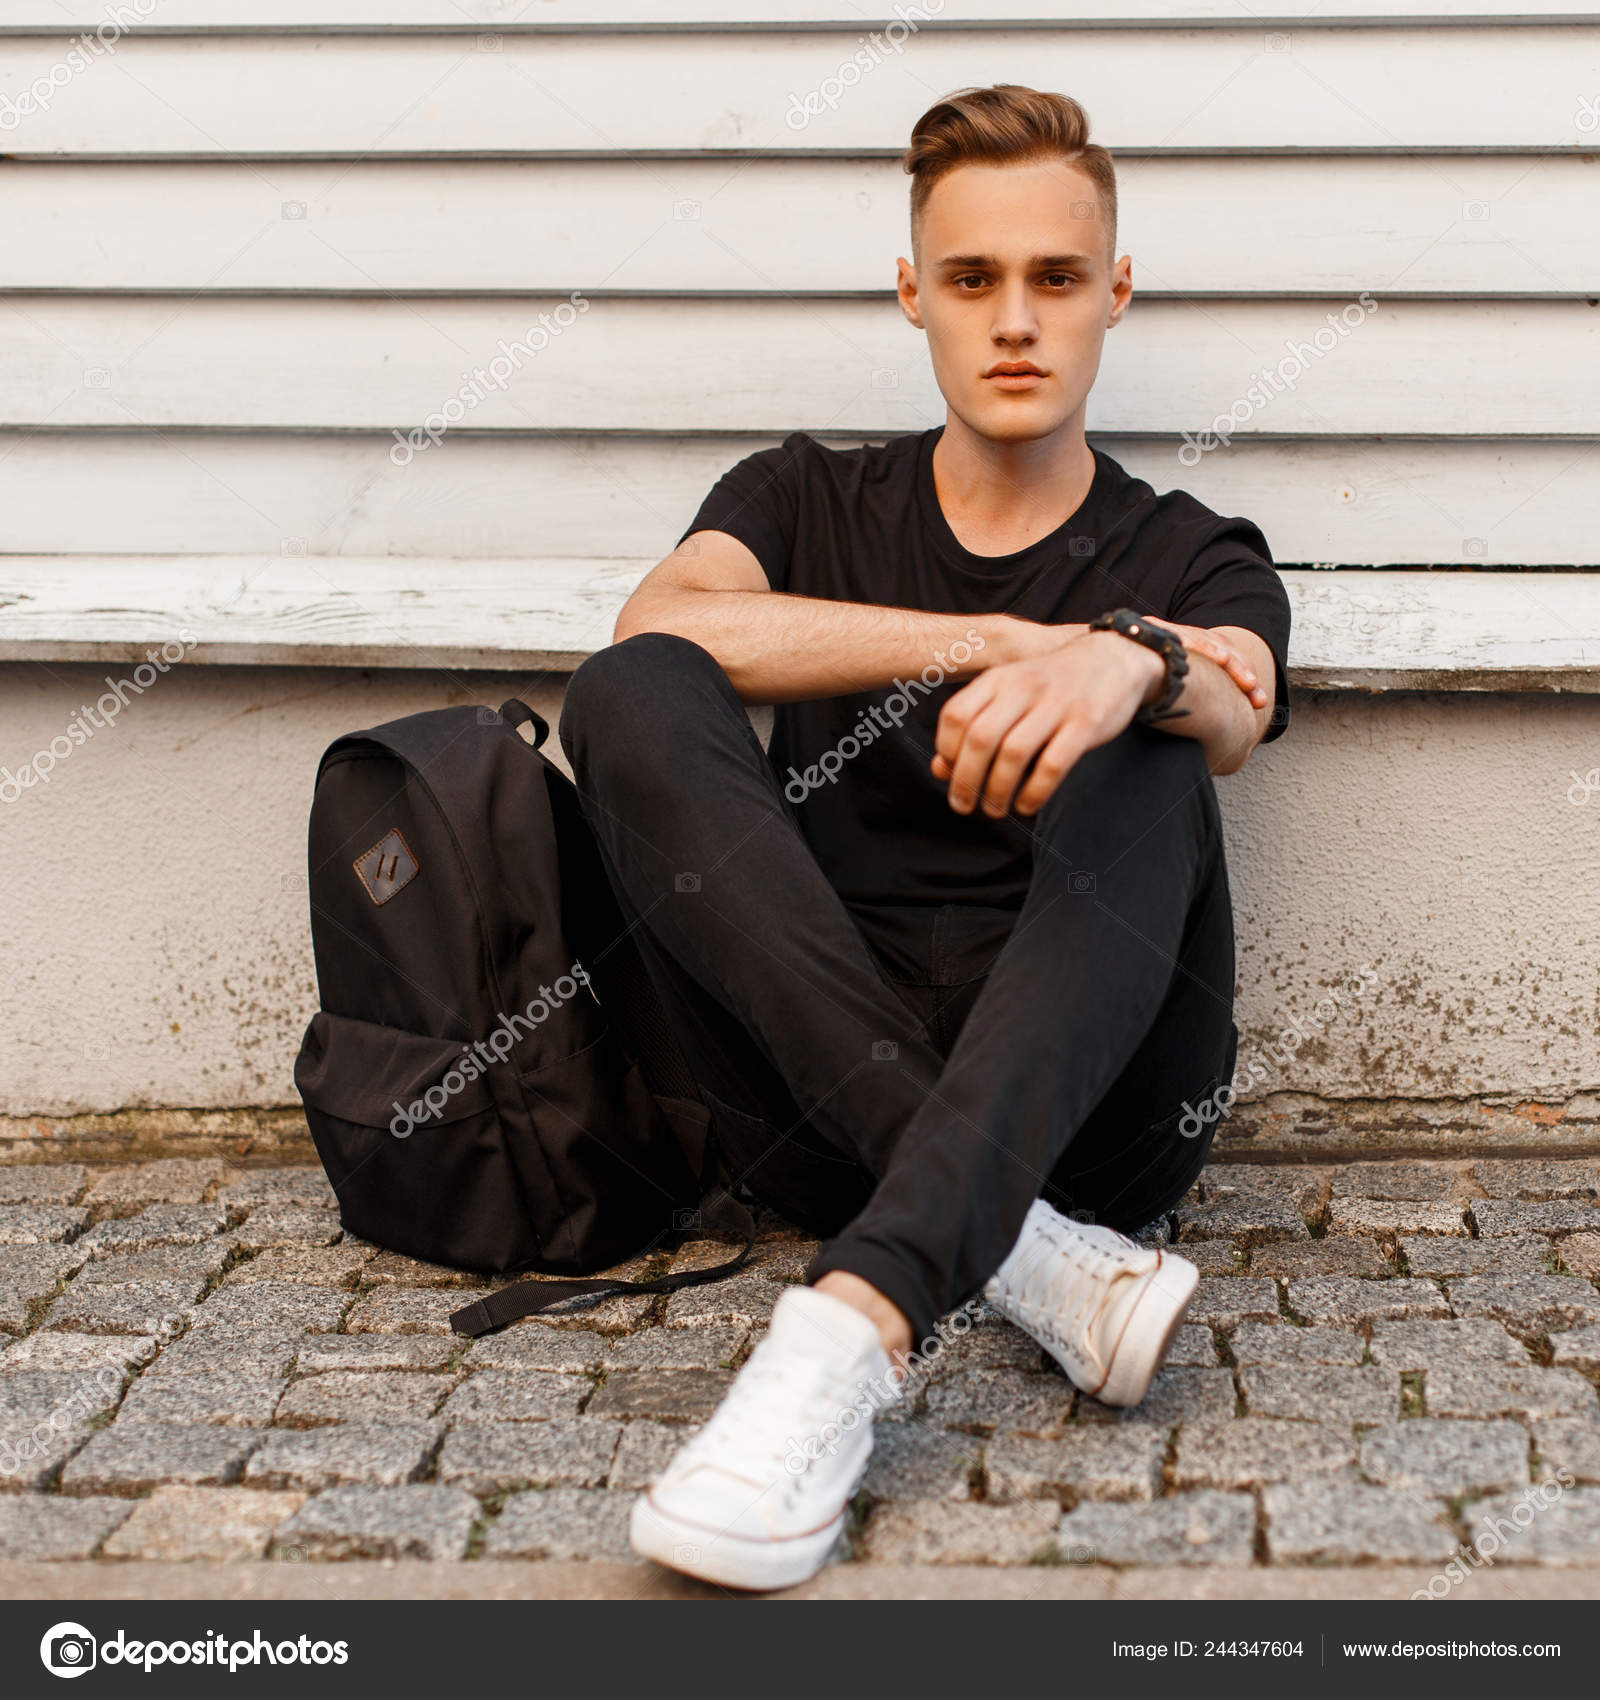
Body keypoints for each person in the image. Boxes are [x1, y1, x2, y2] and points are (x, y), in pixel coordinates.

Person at [558, 82, 1291, 1591]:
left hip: (1099, 1118)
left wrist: (1127, 660)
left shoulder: (1187, 546)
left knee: (1153, 714)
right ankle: (1023, 1261)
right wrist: (991, 641)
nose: (1014, 320)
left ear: (1114, 294)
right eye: (972, 280)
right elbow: (660, 626)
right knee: (633, 689)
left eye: (1054, 279)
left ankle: (851, 1330)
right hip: (815, 1107)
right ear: (914, 295)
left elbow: (1237, 706)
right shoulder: (802, 495)